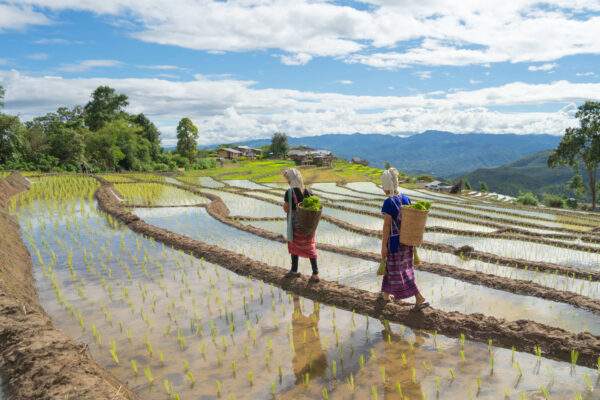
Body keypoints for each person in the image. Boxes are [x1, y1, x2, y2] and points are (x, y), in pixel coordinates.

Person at [380, 168, 429, 310]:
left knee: (400, 271)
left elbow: (387, 226)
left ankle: (419, 298)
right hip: (407, 242)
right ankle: (385, 295)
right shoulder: (405, 198)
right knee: (394, 268)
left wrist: (384, 246)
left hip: (395, 243)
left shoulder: (388, 202)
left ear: (386, 186)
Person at [282, 168, 319, 282]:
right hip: (308, 226)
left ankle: (294, 270)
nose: (287, 181)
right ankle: (315, 273)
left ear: (291, 180)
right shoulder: (308, 191)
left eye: (288, 179)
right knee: (310, 247)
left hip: (295, 226)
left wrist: (285, 206)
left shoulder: (289, 192)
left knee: (294, 246)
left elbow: (286, 208)